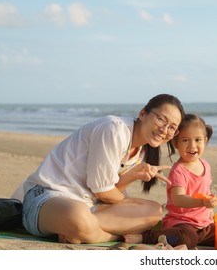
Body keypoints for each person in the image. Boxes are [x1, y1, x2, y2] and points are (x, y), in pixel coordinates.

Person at [11, 94, 185, 244]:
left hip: (89, 205)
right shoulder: (114, 129)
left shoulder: (141, 151)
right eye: (161, 119)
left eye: (172, 127)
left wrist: (131, 176)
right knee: (78, 216)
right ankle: (104, 235)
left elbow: (105, 194)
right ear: (142, 113)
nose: (164, 130)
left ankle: (79, 231)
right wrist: (123, 209)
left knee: (154, 211)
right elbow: (103, 192)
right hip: (47, 197)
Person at [124, 114, 217, 249]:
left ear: (205, 141)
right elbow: (178, 199)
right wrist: (202, 202)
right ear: (175, 143)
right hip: (182, 223)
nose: (192, 146)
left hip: (204, 224)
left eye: (198, 140)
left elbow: (205, 191)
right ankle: (148, 236)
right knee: (186, 238)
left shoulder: (206, 165)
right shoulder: (178, 170)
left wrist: (210, 210)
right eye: (185, 140)